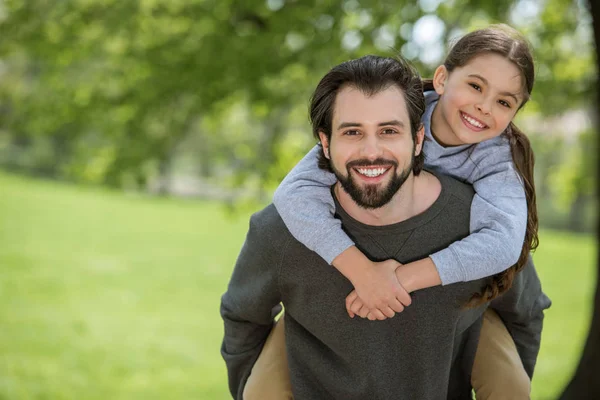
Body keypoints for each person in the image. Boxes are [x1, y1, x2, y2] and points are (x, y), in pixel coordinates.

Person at [221, 54, 550, 399]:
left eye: (389, 131)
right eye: (352, 132)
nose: (372, 151)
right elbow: (243, 319)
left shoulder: (481, 226)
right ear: (326, 143)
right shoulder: (282, 229)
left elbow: (524, 316)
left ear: (418, 138)